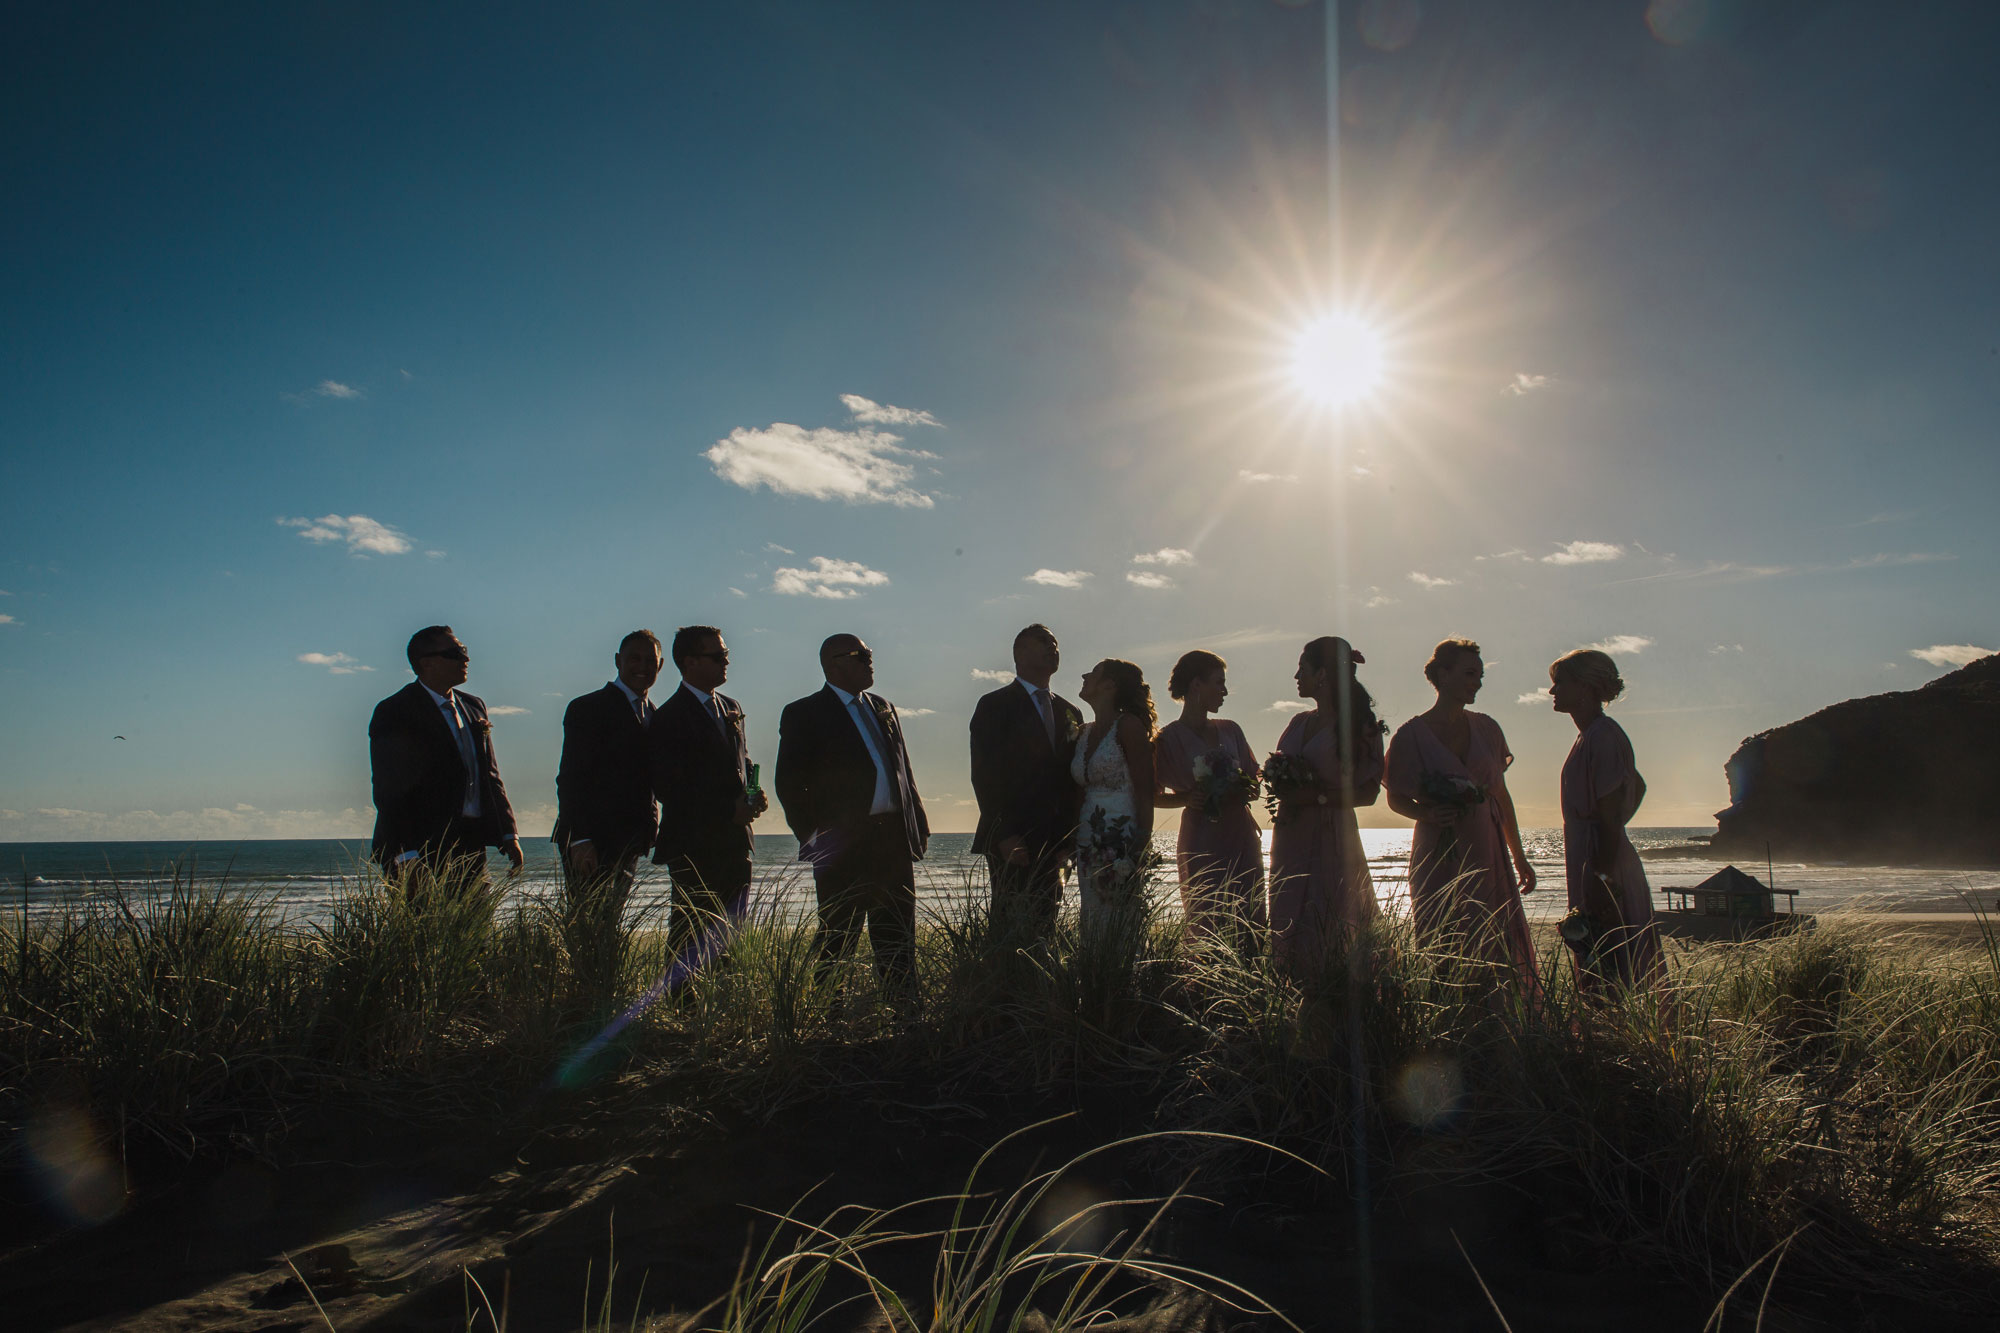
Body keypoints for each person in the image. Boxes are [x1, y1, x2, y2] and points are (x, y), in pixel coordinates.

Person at [775, 634, 930, 996]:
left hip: (892, 839)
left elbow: (902, 770)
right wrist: (812, 837)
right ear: (834, 663)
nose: (869, 660)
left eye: (870, 654)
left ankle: (905, 1014)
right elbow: (790, 784)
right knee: (837, 936)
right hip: (842, 845)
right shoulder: (805, 712)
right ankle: (828, 1018)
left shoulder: (882, 706)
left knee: (898, 936)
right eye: (861, 655)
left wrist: (917, 823)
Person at [1384, 639, 1538, 982]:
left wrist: (1519, 856)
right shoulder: (1410, 736)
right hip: (1438, 851)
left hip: (1486, 848)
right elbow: (1395, 799)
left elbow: (1501, 795)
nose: (1478, 682)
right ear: (1443, 674)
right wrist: (1425, 814)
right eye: (1470, 673)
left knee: (1493, 939)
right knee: (1442, 936)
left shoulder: (1487, 728)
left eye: (1480, 676)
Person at [368, 625, 523, 893]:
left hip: (470, 843)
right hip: (419, 845)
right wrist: (407, 856)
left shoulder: (474, 706)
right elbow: (389, 788)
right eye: (456, 652)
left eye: (464, 651)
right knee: (421, 931)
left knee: (476, 930)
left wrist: (509, 833)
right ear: (426, 663)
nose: (466, 659)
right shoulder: (395, 710)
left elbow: (489, 774)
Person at [649, 625, 767, 967]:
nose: (726, 662)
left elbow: (740, 762)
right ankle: (684, 1009)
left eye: (726, 655)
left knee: (731, 929)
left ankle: (723, 1005)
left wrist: (753, 794)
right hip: (694, 842)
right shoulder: (669, 716)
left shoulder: (731, 706)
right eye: (717, 656)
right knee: (690, 929)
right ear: (689, 662)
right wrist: (727, 811)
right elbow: (669, 788)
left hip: (735, 841)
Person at [1266, 636, 1384, 967]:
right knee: (1289, 913)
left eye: (1302, 668)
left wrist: (1316, 797)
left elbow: (1368, 793)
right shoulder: (1297, 722)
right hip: (1290, 835)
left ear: (1322, 674)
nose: (1296, 676)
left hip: (1332, 833)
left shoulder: (1360, 726)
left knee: (1330, 919)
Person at [552, 630, 665, 974]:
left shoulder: (656, 714)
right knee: (588, 926)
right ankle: (583, 1002)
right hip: (592, 840)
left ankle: (601, 994)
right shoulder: (588, 707)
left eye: (650, 660)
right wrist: (581, 839)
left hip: (630, 838)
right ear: (618, 661)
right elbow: (572, 777)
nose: (642, 666)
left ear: (660, 666)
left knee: (609, 924)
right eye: (634, 658)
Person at [1551, 648, 1663, 992]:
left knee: (1610, 958)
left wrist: (1601, 874)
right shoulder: (1591, 736)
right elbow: (1636, 784)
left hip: (1603, 859)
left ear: (1584, 687)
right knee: (1597, 955)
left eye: (1560, 683)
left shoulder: (1603, 736)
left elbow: (1611, 813)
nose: (1552, 692)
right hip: (1593, 853)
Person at [969, 624, 1084, 939]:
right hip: (1014, 836)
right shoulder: (995, 705)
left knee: (1047, 920)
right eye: (1044, 642)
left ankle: (1041, 987)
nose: (1053, 647)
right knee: (1010, 921)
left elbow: (1073, 781)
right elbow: (984, 775)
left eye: (1056, 643)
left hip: (1056, 838)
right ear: (1019, 653)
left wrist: (1069, 841)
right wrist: (1004, 833)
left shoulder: (1069, 710)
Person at [1152, 650, 1265, 950]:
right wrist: (1188, 798)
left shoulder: (1231, 729)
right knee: (1208, 915)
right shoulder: (1167, 740)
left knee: (1251, 912)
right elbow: (1151, 795)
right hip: (1201, 837)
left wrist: (1248, 788)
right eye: (1219, 682)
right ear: (1195, 685)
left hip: (1241, 834)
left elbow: (1253, 776)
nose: (1225, 691)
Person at [1071, 658, 1156, 929]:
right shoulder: (1083, 733)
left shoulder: (1129, 726)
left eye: (1093, 672)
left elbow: (1145, 793)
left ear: (1109, 685)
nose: (1085, 675)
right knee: (1092, 917)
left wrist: (1138, 849)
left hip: (1121, 839)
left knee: (1118, 919)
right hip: (1086, 840)